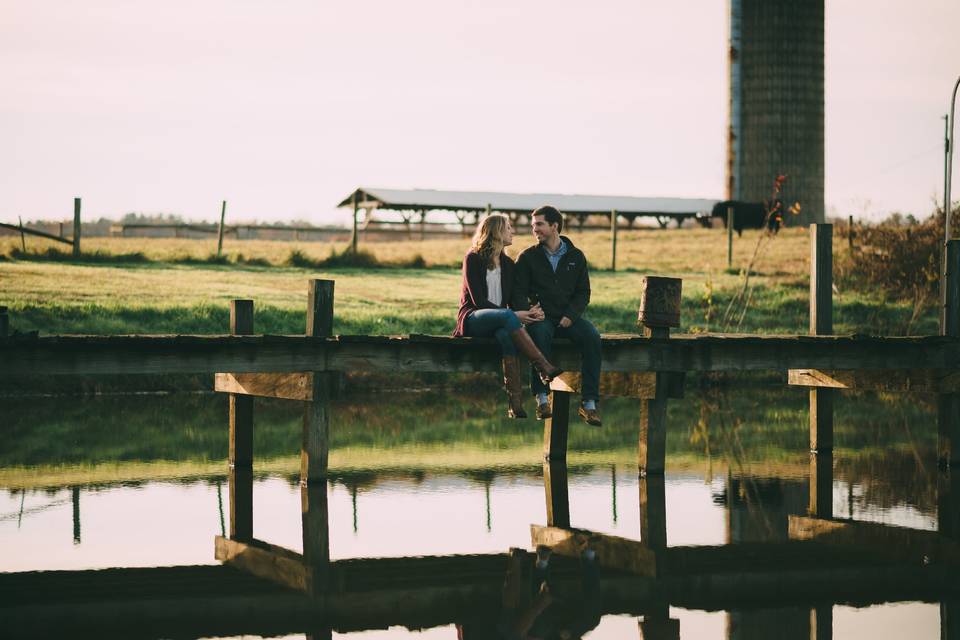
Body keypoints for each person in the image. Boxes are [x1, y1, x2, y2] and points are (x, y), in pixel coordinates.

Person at [454, 213, 563, 419]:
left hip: (501, 322)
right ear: (496, 232)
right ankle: (543, 366)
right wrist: (513, 314)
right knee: (506, 317)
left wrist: (531, 311)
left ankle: (515, 404)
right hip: (473, 318)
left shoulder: (509, 265)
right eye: (508, 227)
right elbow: (478, 301)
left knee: (507, 336)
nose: (512, 231)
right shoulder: (473, 258)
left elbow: (514, 299)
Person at [512, 206, 602, 426]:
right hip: (541, 318)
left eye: (539, 225)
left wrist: (571, 315)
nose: (535, 230)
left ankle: (589, 404)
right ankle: (542, 399)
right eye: (533, 226)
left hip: (568, 318)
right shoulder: (528, 257)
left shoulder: (576, 256)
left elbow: (583, 292)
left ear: (554, 226)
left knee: (592, 337)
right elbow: (517, 291)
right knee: (539, 336)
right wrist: (529, 311)